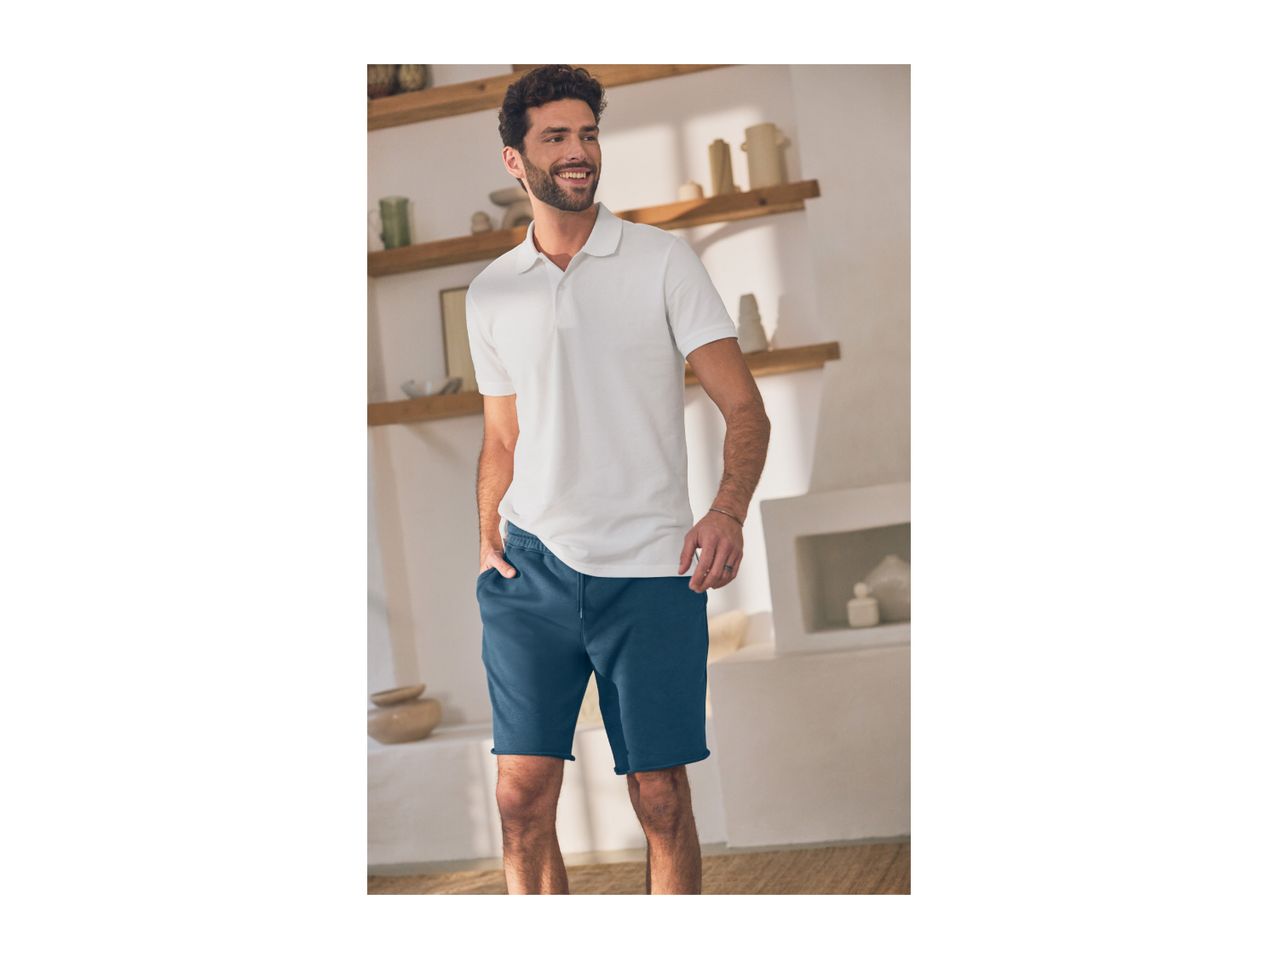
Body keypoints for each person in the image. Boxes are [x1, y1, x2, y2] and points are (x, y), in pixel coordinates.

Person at [466, 65, 771, 895]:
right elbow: (502, 434)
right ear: (514, 160)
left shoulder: (663, 261)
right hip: (532, 573)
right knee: (521, 797)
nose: (578, 153)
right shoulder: (492, 291)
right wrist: (487, 528)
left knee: (660, 796)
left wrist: (727, 511)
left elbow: (745, 410)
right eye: (556, 137)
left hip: (650, 573)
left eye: (588, 135)